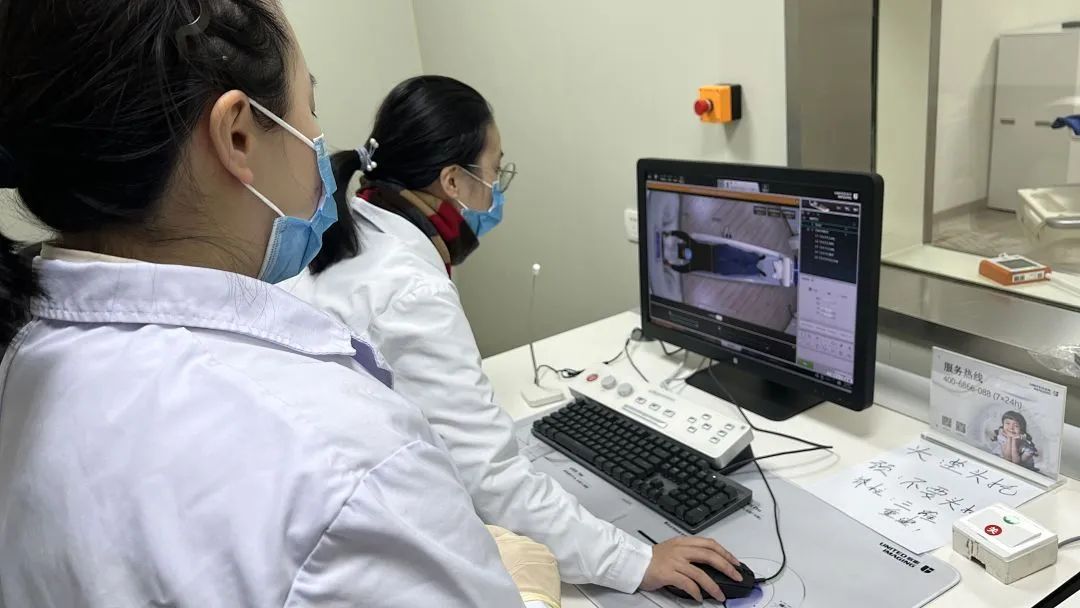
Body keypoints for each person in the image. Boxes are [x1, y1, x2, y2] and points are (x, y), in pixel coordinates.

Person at [0, 2, 559, 606]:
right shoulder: (345, 460)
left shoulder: (26, 354)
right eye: (310, 106)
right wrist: (530, 594)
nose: (320, 138)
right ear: (237, 135)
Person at [287, 75, 746, 603]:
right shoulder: (411, 290)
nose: (495, 190)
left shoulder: (359, 232)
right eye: (494, 170)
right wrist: (637, 560)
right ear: (453, 181)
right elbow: (492, 481)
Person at [663, 230, 765, 276]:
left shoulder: (691, 244)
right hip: (717, 266)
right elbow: (682, 269)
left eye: (683, 250)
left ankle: (756, 259)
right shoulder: (691, 264)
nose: (685, 252)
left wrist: (671, 233)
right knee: (739, 269)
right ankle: (756, 270)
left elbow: (683, 235)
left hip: (718, 252)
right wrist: (670, 265)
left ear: (684, 246)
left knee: (739, 255)